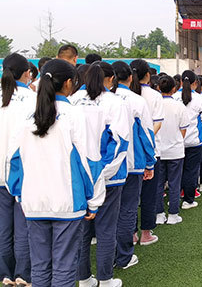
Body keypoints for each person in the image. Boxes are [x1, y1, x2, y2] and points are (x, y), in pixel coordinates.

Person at [7, 59, 104, 287]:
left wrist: (20, 194)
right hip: (67, 203)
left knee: (39, 266)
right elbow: (90, 162)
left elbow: (12, 162)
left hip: (33, 203)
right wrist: (95, 200)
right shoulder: (75, 115)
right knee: (64, 266)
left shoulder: (27, 117)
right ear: (69, 83)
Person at [71, 61, 130, 287]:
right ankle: (105, 279)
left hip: (80, 175)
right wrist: (102, 174)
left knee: (83, 229)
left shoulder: (74, 100)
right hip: (109, 176)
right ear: (111, 79)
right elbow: (120, 141)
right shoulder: (115, 103)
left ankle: (84, 278)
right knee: (106, 228)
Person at [112, 61, 157, 248]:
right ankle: (125, 251)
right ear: (130, 78)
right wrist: (150, 162)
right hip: (133, 161)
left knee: (111, 210)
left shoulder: (102, 99)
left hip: (108, 163)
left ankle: (112, 250)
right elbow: (147, 133)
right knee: (128, 208)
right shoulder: (137, 100)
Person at [0, 53, 35, 287]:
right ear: (27, 73)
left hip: (0, 173)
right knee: (23, 226)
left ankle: (4, 273)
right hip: (25, 171)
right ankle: (23, 273)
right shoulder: (33, 99)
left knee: (3, 227)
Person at [128, 59, 163, 259]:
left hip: (129, 154)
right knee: (148, 195)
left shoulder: (122, 96)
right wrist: (146, 140)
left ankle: (131, 233)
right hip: (149, 152)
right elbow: (157, 124)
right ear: (147, 75)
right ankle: (146, 233)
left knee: (131, 198)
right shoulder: (153, 96)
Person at [155, 75, 189, 225]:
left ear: (158, 88)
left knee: (158, 184)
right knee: (175, 183)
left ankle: (159, 214)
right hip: (175, 150)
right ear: (174, 89)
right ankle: (173, 214)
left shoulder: (155, 105)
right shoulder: (179, 106)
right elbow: (183, 129)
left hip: (158, 150)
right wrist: (176, 140)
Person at [173, 71, 202, 208]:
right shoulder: (200, 98)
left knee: (177, 172)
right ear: (195, 82)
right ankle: (188, 200)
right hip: (194, 139)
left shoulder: (174, 97)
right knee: (191, 171)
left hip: (176, 140)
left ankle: (175, 199)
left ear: (181, 81)